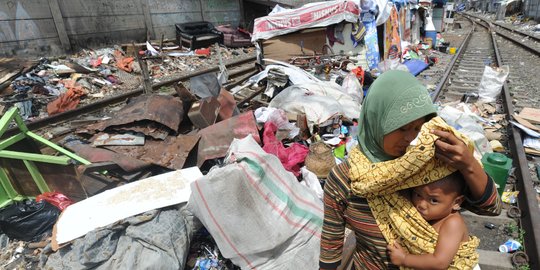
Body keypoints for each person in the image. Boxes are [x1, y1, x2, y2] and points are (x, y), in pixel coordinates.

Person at [319, 70, 501, 270]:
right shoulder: (346, 179)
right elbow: (331, 240)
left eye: (417, 128)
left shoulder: (427, 163)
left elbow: (491, 208)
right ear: (376, 120)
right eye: (402, 128)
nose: (410, 138)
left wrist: (468, 164)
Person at [387, 171, 474, 270]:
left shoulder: (452, 223)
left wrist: (404, 259)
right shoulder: (426, 215)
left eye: (434, 200)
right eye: (418, 195)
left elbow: (440, 262)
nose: (421, 205)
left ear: (456, 202)